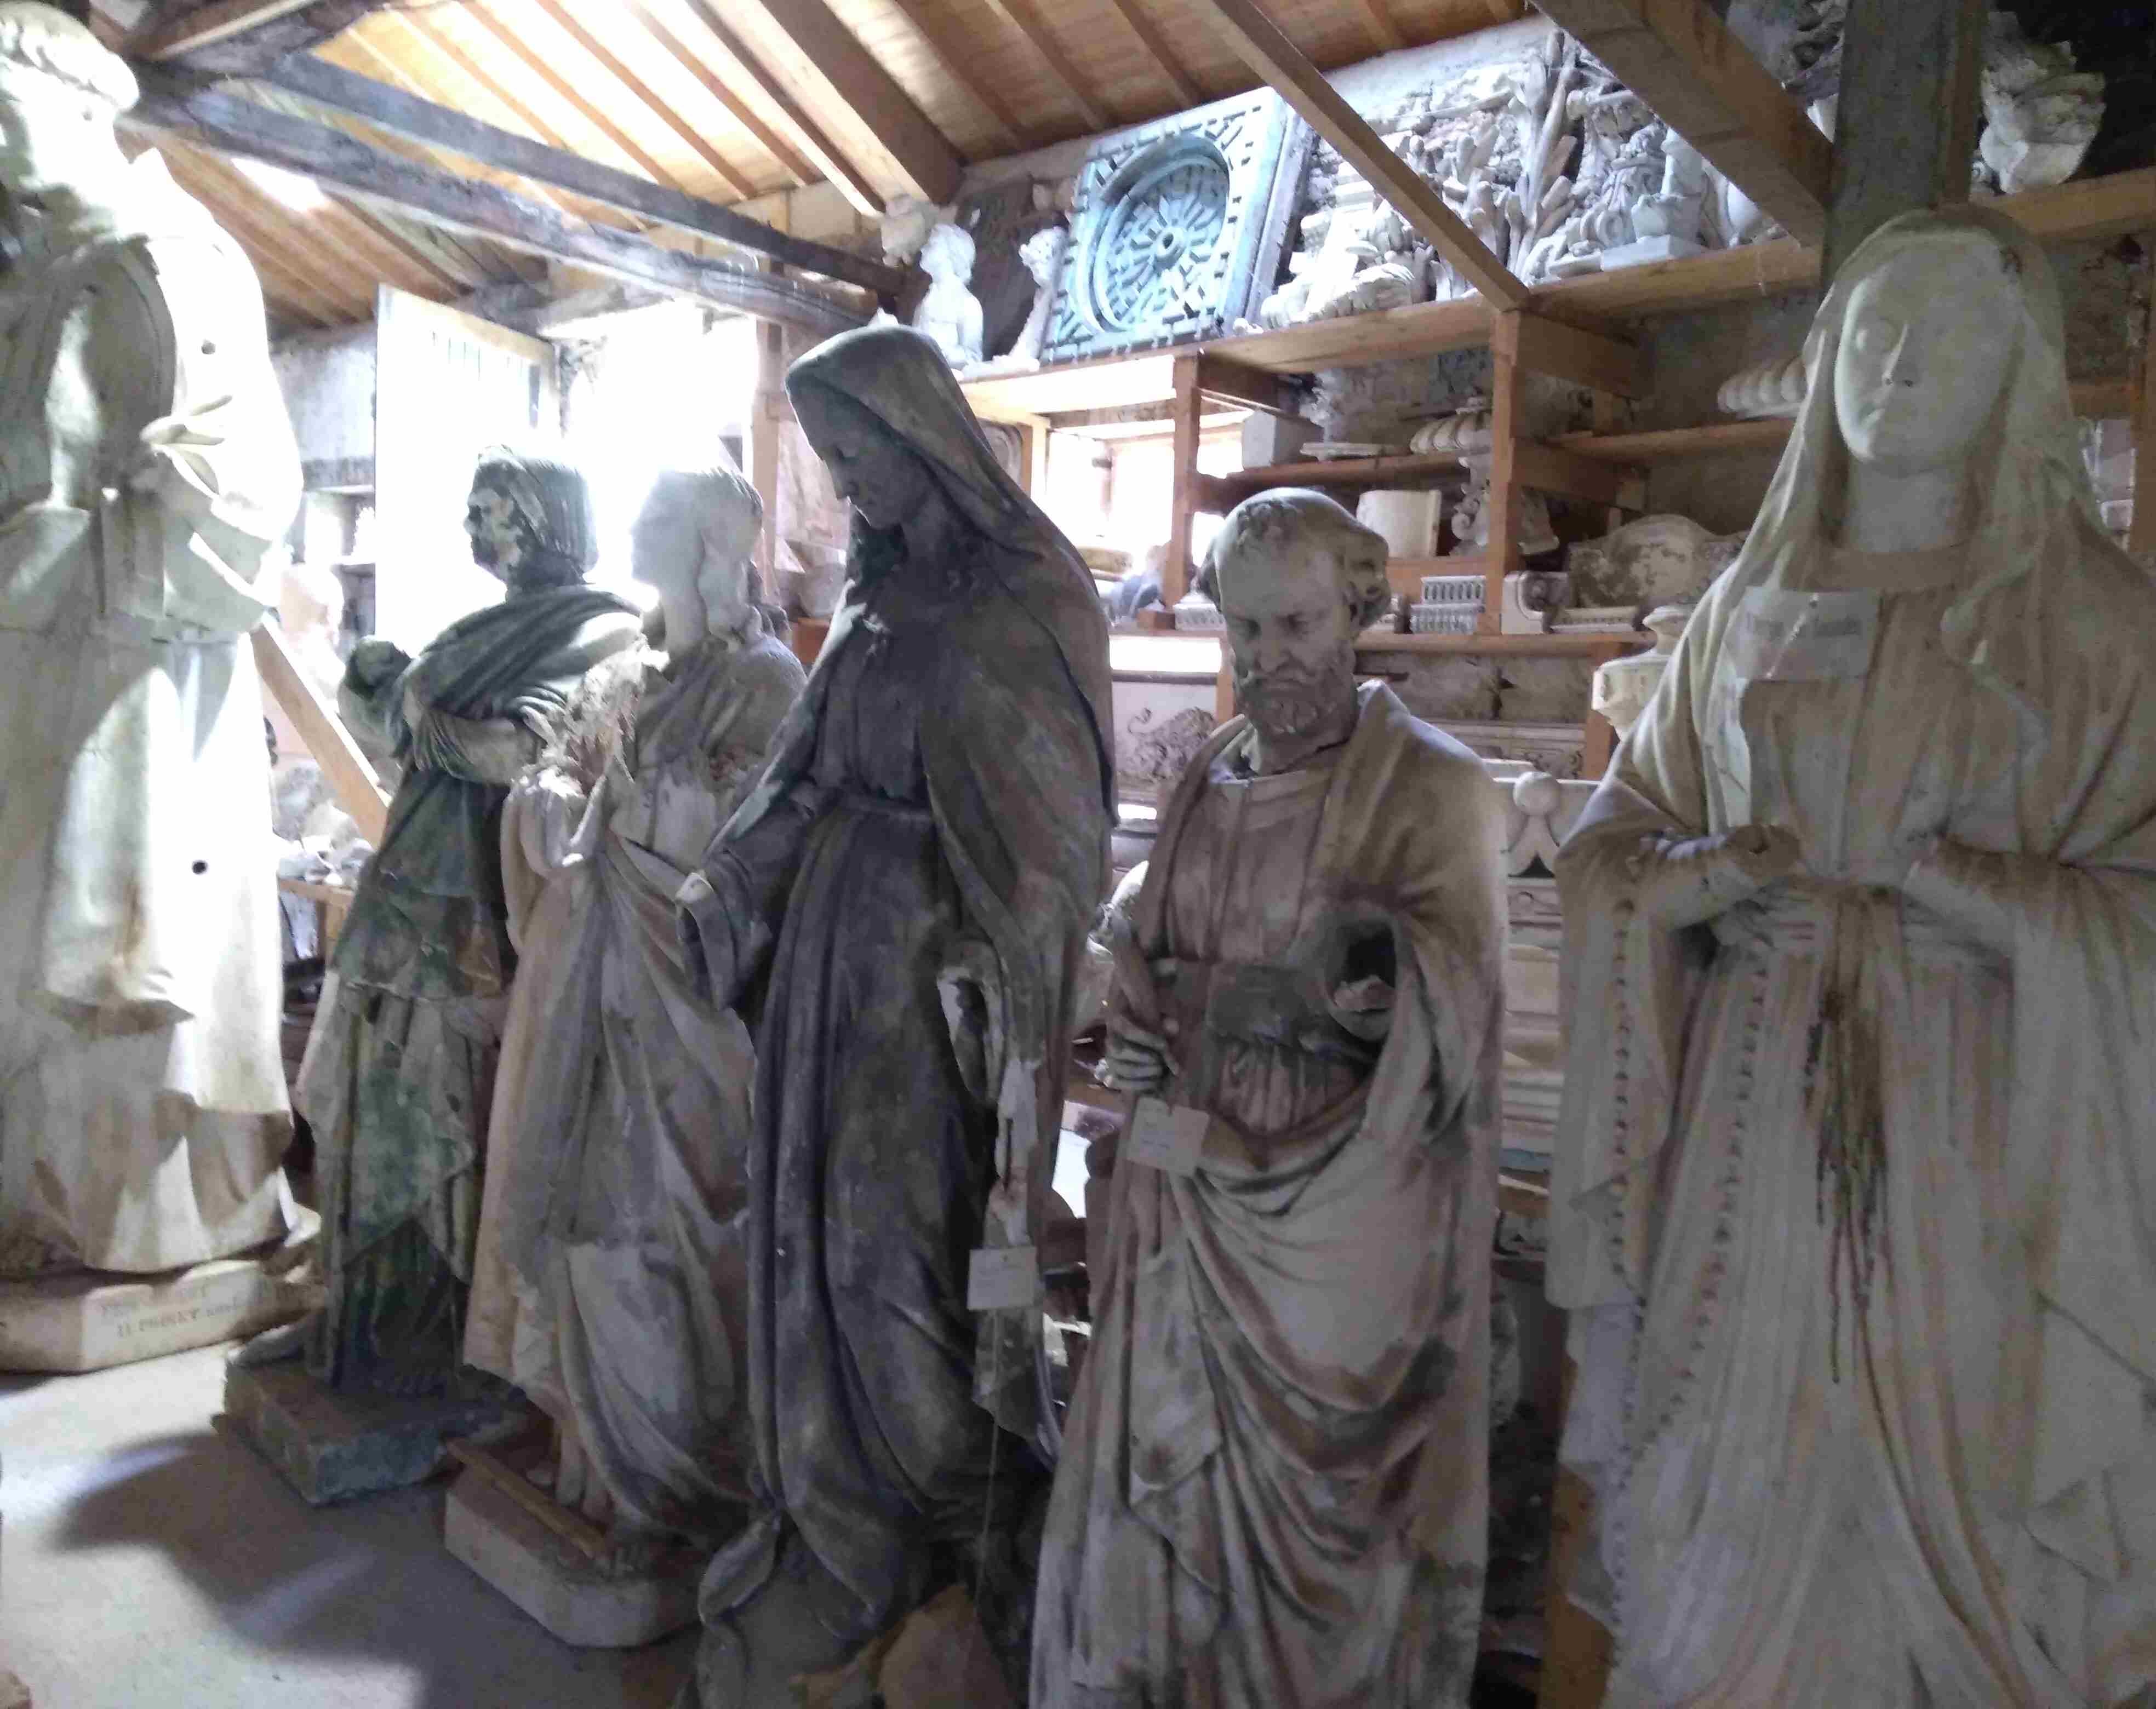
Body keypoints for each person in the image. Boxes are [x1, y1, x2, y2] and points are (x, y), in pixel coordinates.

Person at [1550, 205, 2156, 1706]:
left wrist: (1973, 893)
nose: (1900, 363)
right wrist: (1710, 878)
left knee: (1975, 1523)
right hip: (1750, 1129)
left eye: (1948, 332)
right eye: (1874, 330)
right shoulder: (1742, 611)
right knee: (1725, 1519)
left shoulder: (2092, 618)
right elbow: (1614, 845)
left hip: (1978, 1146)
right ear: (1824, 364)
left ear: (2017, 372)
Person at [673, 325, 1112, 1704]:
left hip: (931, 988)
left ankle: (954, 1534)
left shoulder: (1028, 597)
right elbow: (800, 778)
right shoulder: (874, 601)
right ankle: (832, 1524)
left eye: (858, 451)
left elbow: (1056, 842)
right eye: (830, 456)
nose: (845, 481)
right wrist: (729, 884)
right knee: (803, 1233)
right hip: (827, 967)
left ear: (924, 437)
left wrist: (1002, 973)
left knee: (894, 1258)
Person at [1033, 489, 1504, 1707]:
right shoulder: (1207, 775)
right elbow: (1146, 948)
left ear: (1356, 613)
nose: (1265, 659)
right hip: (1184, 1187)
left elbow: (1455, 1032)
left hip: (1330, 1211)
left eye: (1295, 626)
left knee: (1325, 1521)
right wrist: (1141, 1026)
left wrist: (1344, 985)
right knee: (1162, 1485)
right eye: (1243, 629)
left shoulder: (1434, 789)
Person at [0, 5, 305, 1277]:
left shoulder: (166, 253)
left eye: (3, 112)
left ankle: (139, 1223)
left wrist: (102, 535)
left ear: (80, 102)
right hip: (32, 669)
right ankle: (39, 1205)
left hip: (134, 677)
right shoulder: (31, 279)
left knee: (120, 972)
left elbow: (248, 485)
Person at [464, 463, 805, 1557]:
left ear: (712, 543)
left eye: (662, 513)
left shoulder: (766, 680)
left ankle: (672, 1473)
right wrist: (555, 800)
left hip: (688, 996)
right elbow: (564, 779)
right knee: (590, 1209)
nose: (641, 524)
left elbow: (766, 840)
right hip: (596, 975)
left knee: (671, 1225)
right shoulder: (630, 669)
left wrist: (648, 808)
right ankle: (590, 1450)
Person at [280, 451, 642, 1396]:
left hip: (480, 907)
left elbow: (522, 754)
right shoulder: (480, 626)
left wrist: (415, 710)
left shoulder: (605, 630)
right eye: (473, 512)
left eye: (494, 512)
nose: (475, 531)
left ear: (550, 518)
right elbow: (415, 740)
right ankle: (356, 1316)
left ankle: (434, 1345)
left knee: (450, 1116)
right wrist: (383, 696)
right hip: (408, 884)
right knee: (370, 1105)